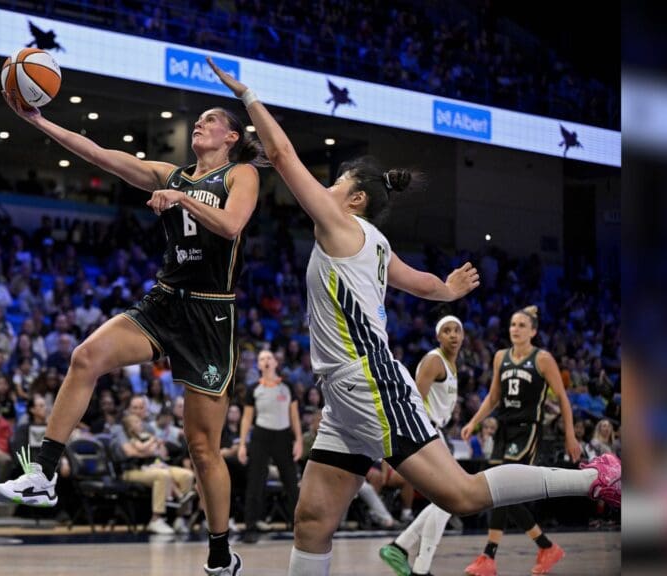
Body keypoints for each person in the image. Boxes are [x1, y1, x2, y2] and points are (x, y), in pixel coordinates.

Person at [206, 57, 621, 576]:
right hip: (343, 396)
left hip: (369, 382)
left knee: (462, 495)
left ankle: (596, 480)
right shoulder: (373, 242)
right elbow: (417, 281)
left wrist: (248, 96)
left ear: (354, 198)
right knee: (312, 519)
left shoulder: (340, 224)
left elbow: (283, 153)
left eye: (336, 183)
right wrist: (447, 288)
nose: (326, 189)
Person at [0, 83, 267, 576]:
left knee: (203, 449)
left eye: (209, 119)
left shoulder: (240, 173)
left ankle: (221, 555)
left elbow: (231, 226)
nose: (199, 124)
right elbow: (100, 155)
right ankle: (45, 473)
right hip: (164, 302)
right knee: (84, 357)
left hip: (210, 314)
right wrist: (38, 122)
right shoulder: (172, 173)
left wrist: (180, 198)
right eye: (198, 120)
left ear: (232, 135)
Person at [460, 306, 582, 576]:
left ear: (533, 331)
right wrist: (474, 422)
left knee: (502, 489)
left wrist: (570, 435)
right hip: (503, 428)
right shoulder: (500, 357)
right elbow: (493, 397)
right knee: (496, 490)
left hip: (527, 430)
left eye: (522, 325)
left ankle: (489, 557)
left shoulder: (543, 359)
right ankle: (545, 546)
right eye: (513, 324)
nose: (515, 328)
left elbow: (562, 398)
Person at [379, 315, 465, 576]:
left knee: (446, 501)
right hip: (427, 434)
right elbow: (413, 399)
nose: (452, 334)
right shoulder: (434, 360)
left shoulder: (451, 364)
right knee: (450, 500)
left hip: (437, 432)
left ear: (462, 336)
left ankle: (401, 547)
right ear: (438, 336)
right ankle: (419, 566)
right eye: (446, 330)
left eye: (457, 330)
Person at [238, 349, 302, 543]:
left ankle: (298, 523)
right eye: (262, 359)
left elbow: (294, 417)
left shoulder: (287, 387)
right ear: (258, 365)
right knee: (256, 480)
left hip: (283, 436)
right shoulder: (253, 389)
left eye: (269, 358)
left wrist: (298, 440)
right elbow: (247, 418)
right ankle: (251, 524)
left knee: (291, 480)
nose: (266, 361)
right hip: (261, 435)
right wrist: (242, 444)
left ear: (276, 362)